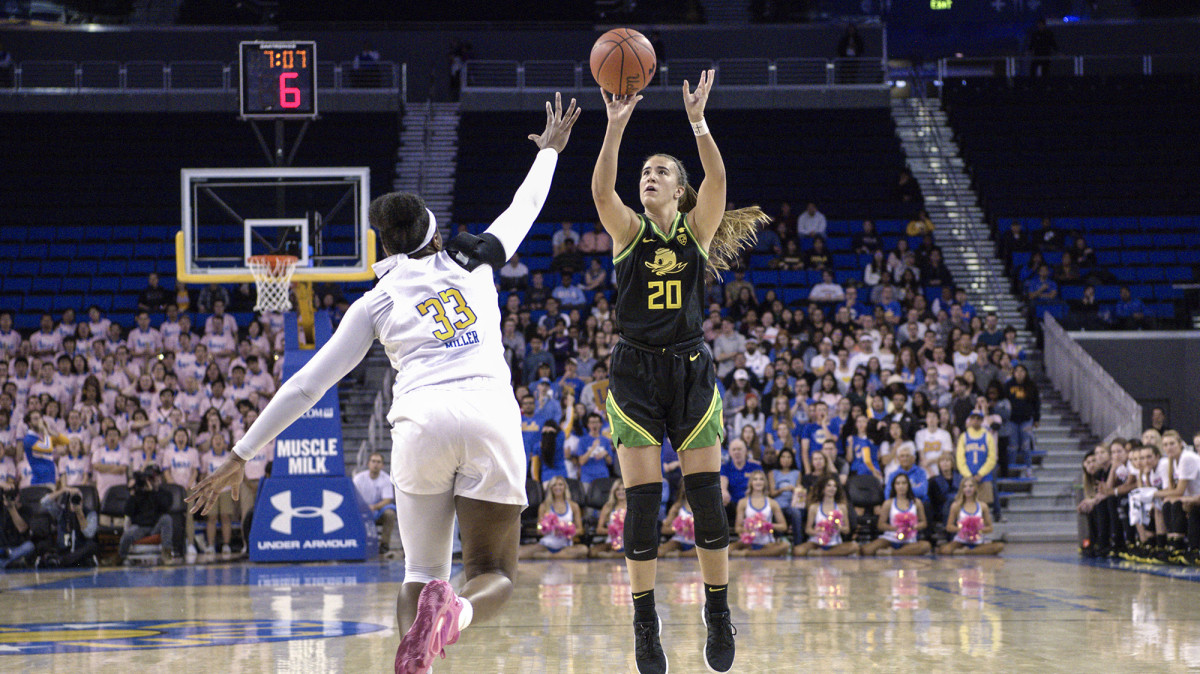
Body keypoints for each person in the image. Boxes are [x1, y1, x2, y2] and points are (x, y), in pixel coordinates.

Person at [188, 93, 580, 674]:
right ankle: (458, 613)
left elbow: (305, 386)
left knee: (420, 574)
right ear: (435, 233)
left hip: (420, 422)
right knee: (492, 571)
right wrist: (549, 151)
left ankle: (415, 663)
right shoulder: (475, 261)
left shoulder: (374, 303)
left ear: (385, 245)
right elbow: (524, 205)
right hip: (488, 414)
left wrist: (240, 454)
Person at [593, 70, 764, 674]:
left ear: (679, 189)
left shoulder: (696, 229)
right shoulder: (629, 230)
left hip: (690, 369)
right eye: (645, 171)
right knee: (642, 507)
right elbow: (602, 191)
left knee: (706, 503)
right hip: (635, 373)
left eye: (661, 171)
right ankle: (645, 625)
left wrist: (697, 121)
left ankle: (717, 611)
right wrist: (615, 128)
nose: (649, 176)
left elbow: (718, 179)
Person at [862, 473, 932, 557]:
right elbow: (880, 525)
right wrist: (895, 528)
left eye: (904, 483)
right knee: (866, 550)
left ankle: (893, 553)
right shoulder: (888, 503)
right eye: (898, 483)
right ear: (894, 486)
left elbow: (924, 523)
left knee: (926, 546)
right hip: (891, 537)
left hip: (909, 540)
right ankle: (902, 552)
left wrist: (913, 527)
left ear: (908, 485)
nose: (901, 486)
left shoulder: (916, 502)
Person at [519, 475, 588, 560]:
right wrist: (546, 527)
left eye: (560, 484)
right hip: (546, 545)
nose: (557, 487)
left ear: (565, 487)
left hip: (565, 546)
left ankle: (548, 556)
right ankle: (555, 556)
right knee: (520, 553)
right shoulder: (544, 506)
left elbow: (580, 530)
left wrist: (567, 531)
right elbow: (538, 529)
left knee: (584, 549)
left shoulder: (573, 506)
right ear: (551, 488)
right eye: (554, 485)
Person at [118, 466, 177, 565]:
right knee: (127, 535)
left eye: (156, 476)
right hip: (140, 527)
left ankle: (167, 553)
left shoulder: (165, 493)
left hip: (156, 526)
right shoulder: (139, 493)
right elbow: (128, 512)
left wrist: (153, 492)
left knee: (167, 518)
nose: (154, 479)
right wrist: (132, 493)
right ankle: (121, 557)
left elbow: (165, 507)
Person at [794, 474, 859, 557]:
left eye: (834, 486)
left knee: (854, 546)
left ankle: (823, 553)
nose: (832, 488)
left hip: (835, 544)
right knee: (797, 550)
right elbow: (808, 529)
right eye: (829, 485)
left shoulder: (842, 507)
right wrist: (819, 532)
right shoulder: (814, 507)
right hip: (817, 542)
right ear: (823, 489)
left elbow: (847, 529)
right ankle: (826, 553)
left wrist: (838, 528)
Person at [938, 476, 1004, 555]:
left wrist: (978, 529)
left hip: (978, 541)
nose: (968, 489)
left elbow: (990, 528)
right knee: (945, 550)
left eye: (971, 486)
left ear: (975, 488)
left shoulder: (983, 506)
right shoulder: (956, 505)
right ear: (961, 489)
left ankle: (966, 551)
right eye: (965, 486)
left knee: (999, 546)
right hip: (961, 541)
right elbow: (949, 527)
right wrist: (963, 529)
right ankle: (971, 551)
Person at [729, 471, 790, 557]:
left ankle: (748, 554)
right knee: (727, 549)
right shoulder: (743, 502)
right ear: (751, 483)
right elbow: (737, 528)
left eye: (761, 479)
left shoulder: (772, 502)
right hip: (748, 542)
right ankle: (756, 553)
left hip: (767, 543)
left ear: (765, 483)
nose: (758, 482)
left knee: (785, 546)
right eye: (755, 479)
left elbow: (783, 526)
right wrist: (747, 529)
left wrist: (768, 525)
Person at [36, 486, 98, 568]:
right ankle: (62, 561)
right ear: (68, 501)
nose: (75, 502)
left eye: (78, 499)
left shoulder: (90, 514)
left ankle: (58, 561)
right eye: (72, 499)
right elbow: (44, 502)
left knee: (92, 546)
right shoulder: (61, 512)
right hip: (62, 549)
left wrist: (80, 514)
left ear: (82, 501)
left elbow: (89, 534)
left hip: (79, 551)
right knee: (42, 545)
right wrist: (63, 490)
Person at [590, 478, 628, 559]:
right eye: (618, 489)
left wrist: (625, 530)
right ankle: (617, 555)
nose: (621, 492)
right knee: (593, 552)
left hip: (629, 543)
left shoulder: (632, 507)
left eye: (623, 489)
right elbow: (599, 529)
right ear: (614, 492)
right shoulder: (608, 507)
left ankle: (614, 555)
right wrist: (613, 531)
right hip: (611, 543)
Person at [0, 480, 35, 569]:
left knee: (29, 546)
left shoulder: (26, 509)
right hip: (3, 549)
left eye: (13, 496)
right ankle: (9, 562)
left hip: (18, 548)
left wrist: (11, 508)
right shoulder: (2, 509)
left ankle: (4, 562)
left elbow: (22, 528)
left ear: (18, 496)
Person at [658, 490, 696, 558]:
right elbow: (663, 530)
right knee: (660, 551)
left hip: (697, 542)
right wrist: (678, 528)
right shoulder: (677, 507)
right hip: (679, 540)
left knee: (704, 551)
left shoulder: (705, 507)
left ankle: (679, 554)